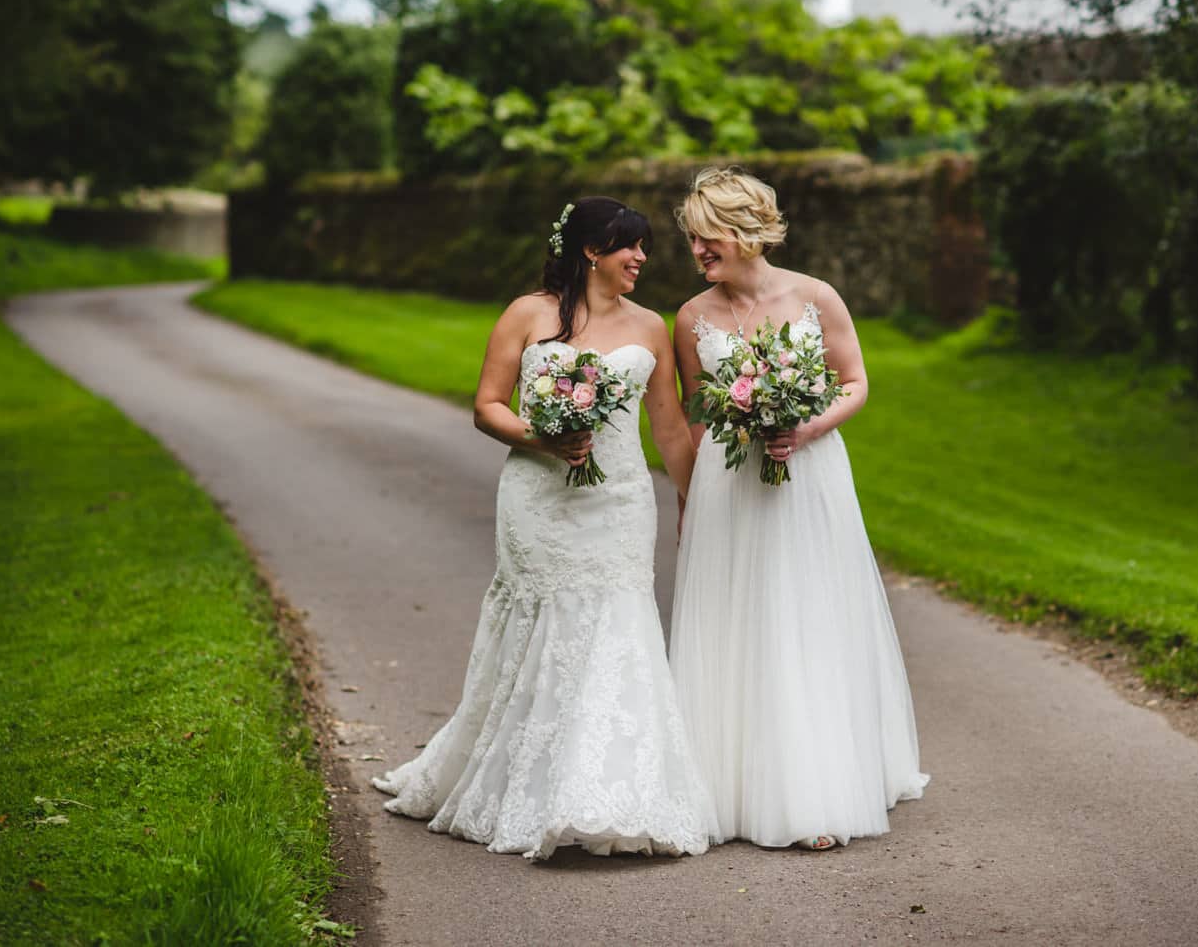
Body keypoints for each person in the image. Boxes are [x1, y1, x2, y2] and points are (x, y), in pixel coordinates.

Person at [373, 197, 719, 860]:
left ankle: (604, 789)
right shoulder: (528, 314)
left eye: (644, 248)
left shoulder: (651, 327)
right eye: (629, 246)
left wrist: (695, 500)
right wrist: (544, 435)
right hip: (537, 500)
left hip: (618, 501)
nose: (642, 258)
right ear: (591, 250)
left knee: (616, 623)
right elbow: (486, 406)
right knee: (544, 626)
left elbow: (670, 427)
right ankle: (528, 780)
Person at [669, 167, 928, 851]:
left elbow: (855, 381)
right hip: (731, 484)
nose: (699, 253)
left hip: (810, 476)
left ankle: (816, 788)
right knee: (740, 619)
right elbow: (700, 417)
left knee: (807, 614)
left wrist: (806, 427)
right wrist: (692, 502)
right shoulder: (691, 317)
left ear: (747, 231)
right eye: (693, 241)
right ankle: (728, 785)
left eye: (708, 237)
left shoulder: (815, 296)